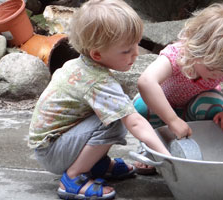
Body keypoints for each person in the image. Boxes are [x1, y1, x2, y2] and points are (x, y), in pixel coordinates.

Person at [27, 0, 171, 199]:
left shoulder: (80, 64)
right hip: (54, 151)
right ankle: (73, 177)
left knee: (109, 113)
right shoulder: (97, 82)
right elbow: (135, 121)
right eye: (126, 50)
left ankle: (97, 165)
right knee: (114, 120)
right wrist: (167, 156)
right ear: (97, 53)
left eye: (136, 45)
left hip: (50, 144)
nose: (136, 54)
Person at [134, 3, 223, 144]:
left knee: (213, 104)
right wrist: (172, 120)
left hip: (195, 111)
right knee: (141, 105)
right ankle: (152, 145)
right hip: (164, 108)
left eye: (222, 72)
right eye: (210, 68)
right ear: (194, 51)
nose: (216, 75)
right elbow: (146, 82)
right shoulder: (176, 56)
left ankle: (201, 141)